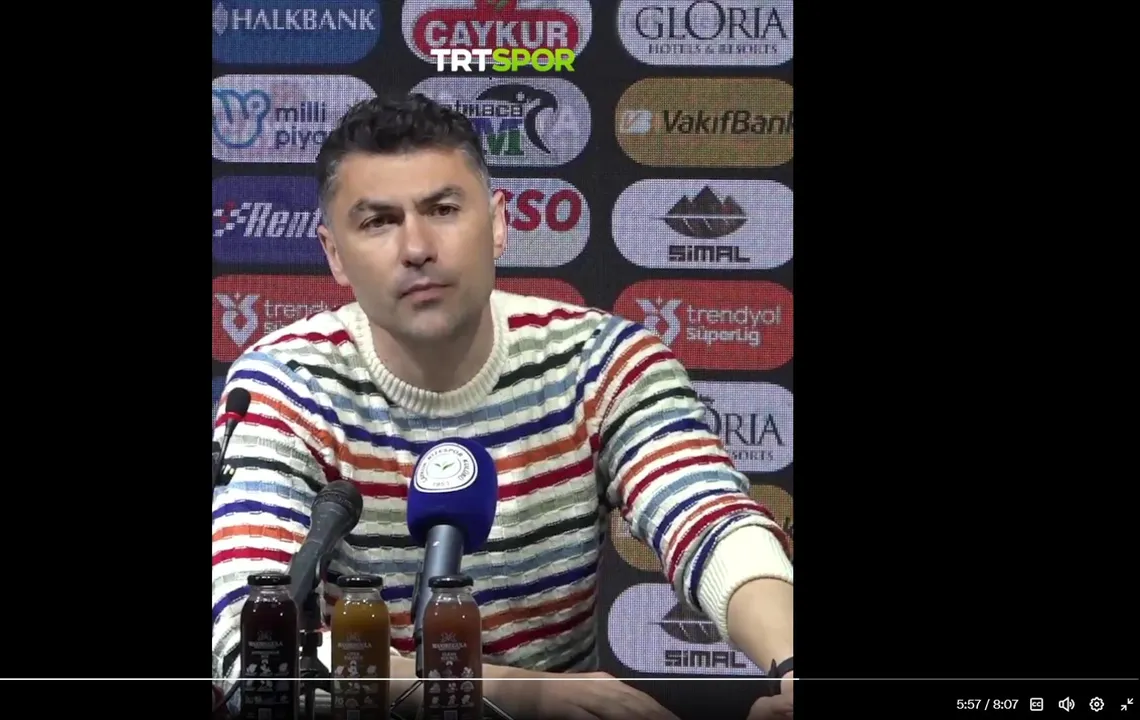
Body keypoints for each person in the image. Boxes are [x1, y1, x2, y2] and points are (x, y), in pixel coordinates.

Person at [211, 94, 795, 720]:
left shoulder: (600, 361)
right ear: (334, 254)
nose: (416, 247)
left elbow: (707, 518)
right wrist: (520, 692)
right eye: (379, 221)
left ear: (496, 223)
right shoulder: (285, 383)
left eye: (443, 210)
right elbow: (250, 646)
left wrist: (791, 666)